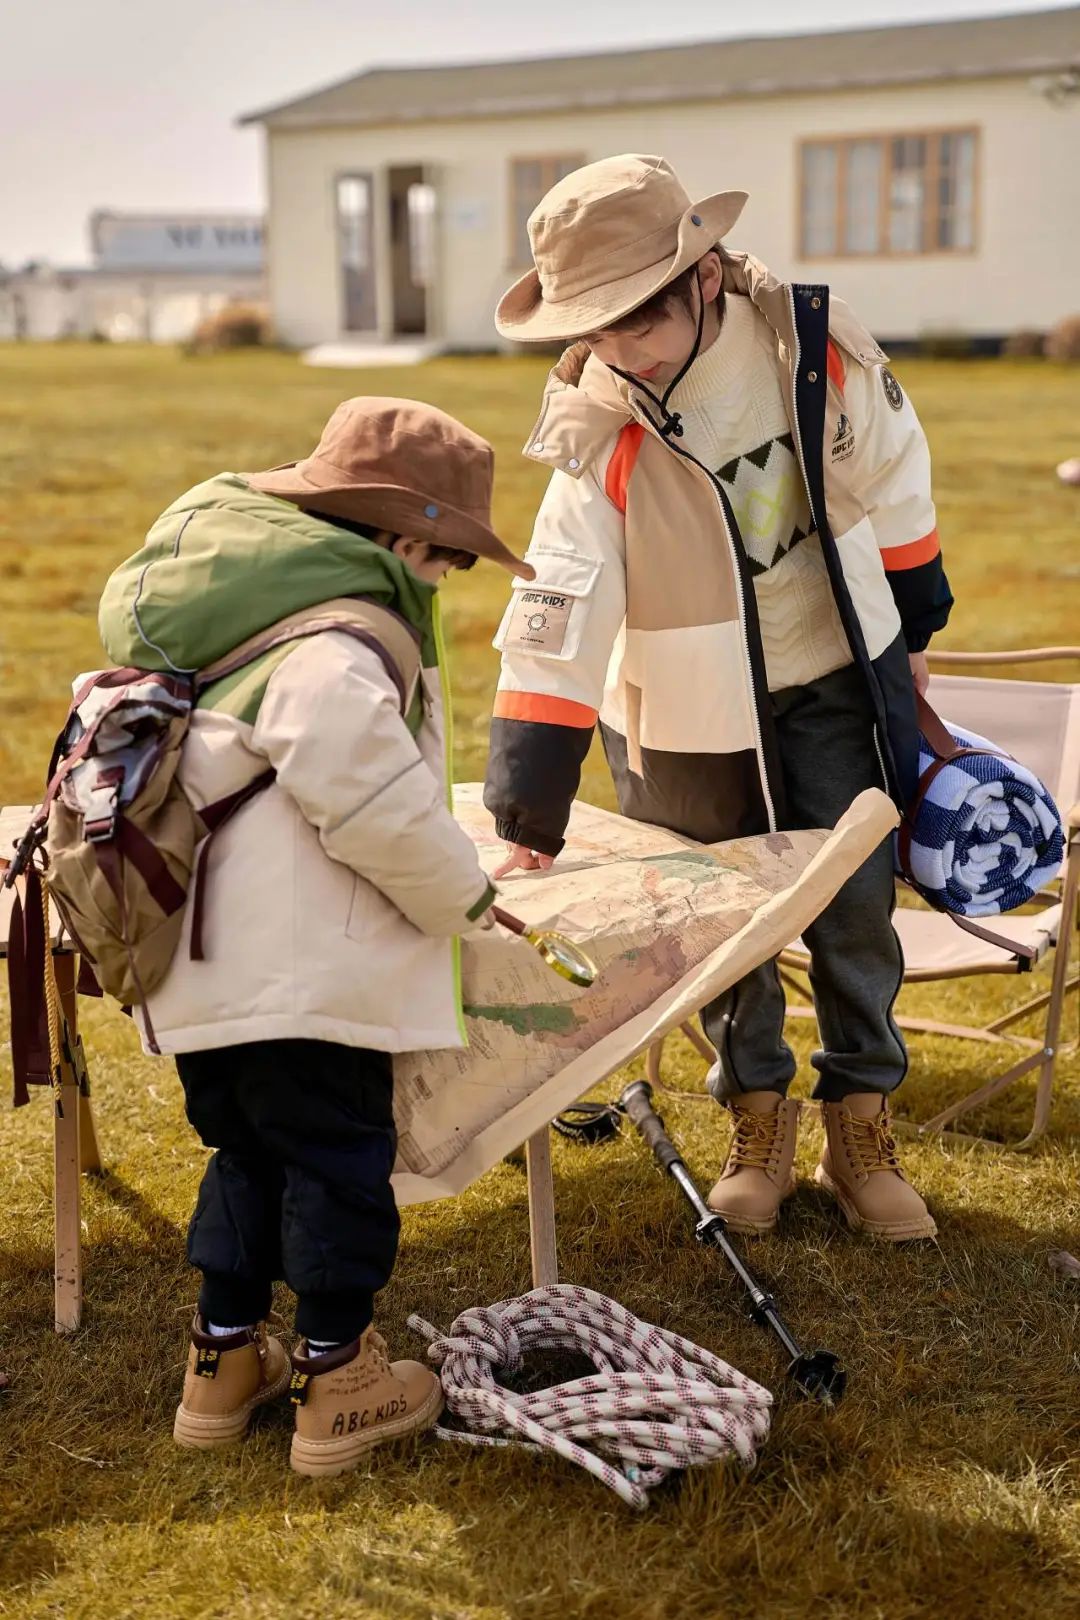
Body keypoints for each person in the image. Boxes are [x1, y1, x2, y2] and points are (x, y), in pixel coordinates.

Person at [485, 155, 953, 1243]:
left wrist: (917, 632)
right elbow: (562, 599)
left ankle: (861, 1127)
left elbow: (897, 474)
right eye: (593, 327)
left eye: (635, 319)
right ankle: (757, 1122)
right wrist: (529, 809)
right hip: (684, 718)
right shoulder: (595, 420)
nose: (619, 349)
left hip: (834, 679)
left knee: (854, 914)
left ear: (700, 279)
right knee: (725, 928)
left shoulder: (812, 349)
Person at [96, 397, 530, 1476]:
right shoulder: (336, 634)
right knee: (338, 1164)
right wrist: (464, 899)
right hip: (308, 971)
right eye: (445, 561)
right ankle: (340, 1385)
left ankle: (222, 1366)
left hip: (203, 966)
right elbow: (367, 797)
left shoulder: (242, 612)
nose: (442, 584)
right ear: (401, 538)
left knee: (244, 1154)